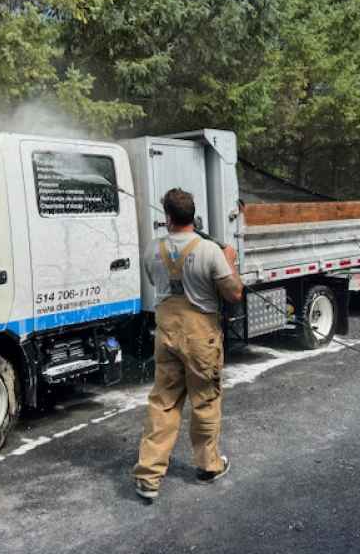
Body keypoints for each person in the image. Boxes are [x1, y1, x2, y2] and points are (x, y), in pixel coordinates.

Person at [133, 188, 244, 500]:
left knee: (163, 402)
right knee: (205, 401)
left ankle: (148, 476)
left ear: (167, 217)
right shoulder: (210, 251)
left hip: (166, 333)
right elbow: (234, 293)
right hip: (201, 338)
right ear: (193, 216)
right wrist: (230, 261)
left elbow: (157, 283)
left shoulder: (152, 249)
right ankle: (209, 465)